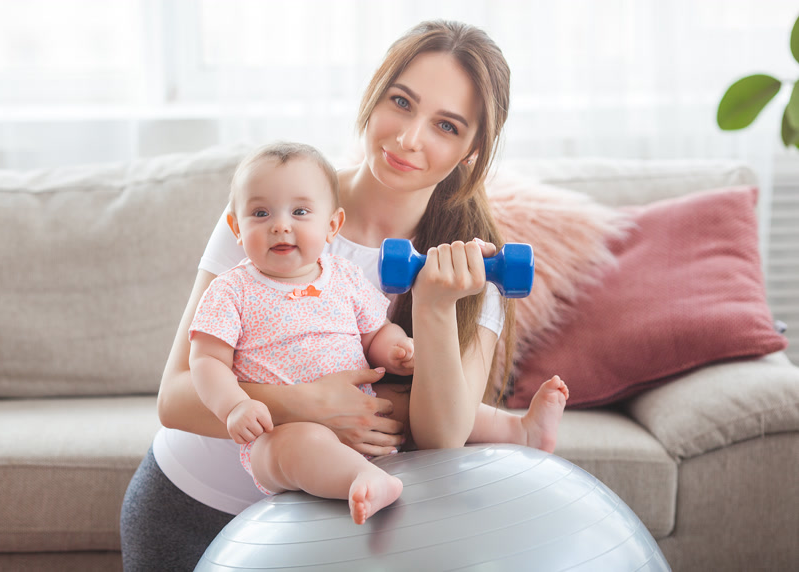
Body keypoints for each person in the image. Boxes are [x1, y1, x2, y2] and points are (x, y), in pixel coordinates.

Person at [121, 20, 568, 571]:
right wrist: (309, 404)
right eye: (400, 102)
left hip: (332, 535)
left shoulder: (475, 265)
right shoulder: (279, 206)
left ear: (473, 151)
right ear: (373, 94)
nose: (408, 138)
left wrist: (432, 307)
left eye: (446, 126)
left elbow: (445, 435)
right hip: (190, 508)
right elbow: (178, 399)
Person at [189, 141, 412, 525]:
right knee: (295, 447)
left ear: (332, 225)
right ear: (236, 228)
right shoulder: (231, 290)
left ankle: (516, 428)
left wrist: (397, 350)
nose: (280, 224)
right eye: (260, 213)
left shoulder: (344, 276)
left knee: (438, 396)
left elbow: (375, 332)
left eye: (300, 211)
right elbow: (207, 360)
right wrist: (235, 405)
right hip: (281, 431)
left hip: (361, 414)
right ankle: (363, 479)